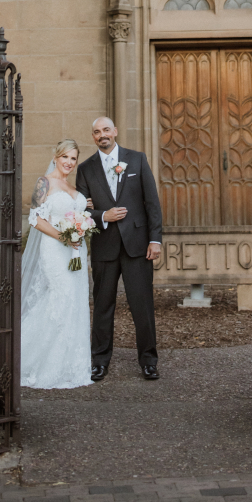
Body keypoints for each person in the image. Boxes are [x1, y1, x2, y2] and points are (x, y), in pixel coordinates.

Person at [76, 117, 163, 382]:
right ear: (93, 137)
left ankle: (149, 361)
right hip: (104, 246)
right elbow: (81, 210)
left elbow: (152, 202)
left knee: (142, 306)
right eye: (96, 132)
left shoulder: (136, 159)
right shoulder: (85, 169)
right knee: (103, 306)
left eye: (105, 130)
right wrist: (104, 216)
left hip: (137, 246)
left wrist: (155, 240)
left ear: (114, 132)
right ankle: (99, 361)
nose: (102, 135)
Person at [21, 139, 92, 389]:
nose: (70, 163)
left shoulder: (70, 185)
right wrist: (64, 236)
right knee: (60, 297)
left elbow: (72, 211)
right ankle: (37, 360)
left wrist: (83, 215)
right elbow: (35, 219)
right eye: (66, 157)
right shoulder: (45, 182)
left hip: (76, 252)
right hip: (55, 249)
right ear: (56, 156)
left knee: (75, 299)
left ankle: (71, 363)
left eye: (74, 159)